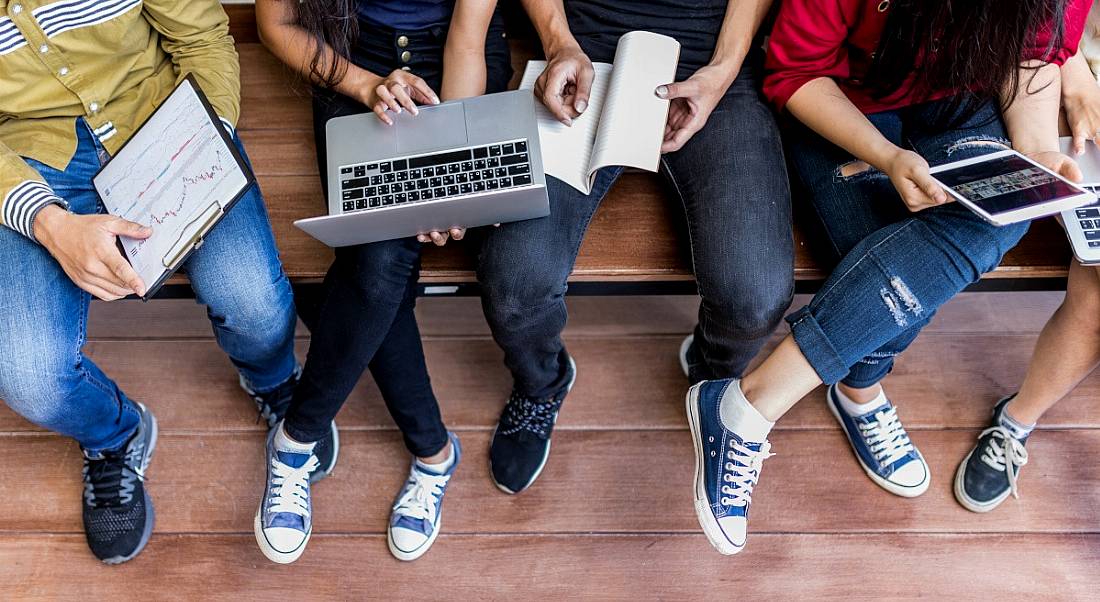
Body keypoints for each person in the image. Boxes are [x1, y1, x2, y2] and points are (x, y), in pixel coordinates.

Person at [685, 0, 1090, 555]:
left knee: (992, 221)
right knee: (874, 259)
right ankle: (859, 389)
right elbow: (796, 72)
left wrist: (1039, 152)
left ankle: (750, 403)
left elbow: (1030, 56)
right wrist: (886, 155)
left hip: (964, 105)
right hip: (843, 101)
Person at [0, 0, 299, 564]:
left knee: (252, 299)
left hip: (166, 120)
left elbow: (203, 39)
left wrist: (193, 156)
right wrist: (48, 222)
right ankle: (115, 437)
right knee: (28, 377)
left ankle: (275, 382)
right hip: (29, 160)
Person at [479, 0, 794, 495]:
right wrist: (559, 41)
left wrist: (724, 68)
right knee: (513, 280)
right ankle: (541, 383)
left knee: (754, 294)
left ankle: (709, 375)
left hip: (711, 56)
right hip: (585, 47)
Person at [254, 0, 511, 563]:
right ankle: (432, 452)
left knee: (375, 266)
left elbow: (467, 39)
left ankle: (296, 439)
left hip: (457, 66)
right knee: (377, 260)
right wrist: (368, 84)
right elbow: (275, 22)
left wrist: (448, 172)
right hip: (350, 60)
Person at [953, 45, 1100, 513]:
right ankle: (1016, 421)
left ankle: (1016, 421)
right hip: (1061, 83)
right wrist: (1075, 71)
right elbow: (1042, 22)